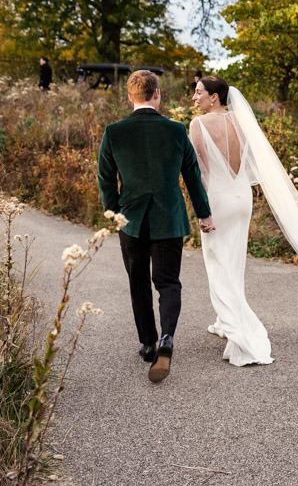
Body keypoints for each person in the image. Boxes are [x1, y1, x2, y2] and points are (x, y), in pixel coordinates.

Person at [189, 76, 298, 371]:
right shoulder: (243, 122)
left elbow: (198, 169)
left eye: (198, 93)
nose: (195, 98)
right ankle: (223, 321)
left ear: (214, 97)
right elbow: (254, 162)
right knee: (235, 261)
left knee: (217, 263)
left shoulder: (198, 124)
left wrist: (201, 206)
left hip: (216, 198)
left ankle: (239, 334)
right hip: (242, 196)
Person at [98, 70, 215, 384]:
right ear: (157, 94)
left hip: (131, 221)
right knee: (168, 283)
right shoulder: (176, 131)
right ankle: (167, 338)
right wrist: (204, 213)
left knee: (137, 281)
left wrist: (113, 214)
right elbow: (192, 176)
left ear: (130, 96)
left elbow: (105, 179)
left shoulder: (114, 132)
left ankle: (148, 343)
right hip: (169, 218)